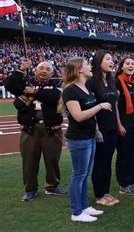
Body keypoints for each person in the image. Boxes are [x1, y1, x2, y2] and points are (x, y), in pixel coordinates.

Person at [5, 59, 65, 201]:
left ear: (52, 73)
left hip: (51, 129)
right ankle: (30, 189)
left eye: (48, 69)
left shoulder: (57, 86)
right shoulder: (26, 83)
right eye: (41, 68)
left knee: (52, 160)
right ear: (35, 70)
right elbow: (10, 86)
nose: (44, 71)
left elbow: (54, 97)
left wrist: (34, 91)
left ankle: (52, 186)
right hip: (29, 129)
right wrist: (21, 69)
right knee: (29, 161)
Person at [62, 57, 112, 222]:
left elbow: (90, 116)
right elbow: (78, 116)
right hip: (78, 139)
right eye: (87, 65)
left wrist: (96, 129)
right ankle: (76, 212)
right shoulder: (70, 90)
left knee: (84, 174)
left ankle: (84, 207)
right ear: (79, 69)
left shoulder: (85, 87)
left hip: (89, 136)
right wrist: (100, 106)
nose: (91, 66)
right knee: (79, 175)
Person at [87, 51, 120, 206]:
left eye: (112, 59)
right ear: (99, 62)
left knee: (107, 162)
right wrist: (96, 129)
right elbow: (90, 105)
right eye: (108, 59)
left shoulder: (112, 82)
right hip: (101, 128)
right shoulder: (92, 82)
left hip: (113, 127)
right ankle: (100, 195)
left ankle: (106, 192)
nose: (111, 61)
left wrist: (119, 125)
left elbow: (115, 106)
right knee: (100, 162)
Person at [115, 57, 134, 195]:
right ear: (122, 66)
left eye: (133, 64)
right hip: (123, 120)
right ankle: (123, 184)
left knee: (133, 153)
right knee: (124, 154)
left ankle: (132, 180)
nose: (130, 65)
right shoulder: (117, 82)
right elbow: (115, 106)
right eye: (127, 63)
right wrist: (119, 124)